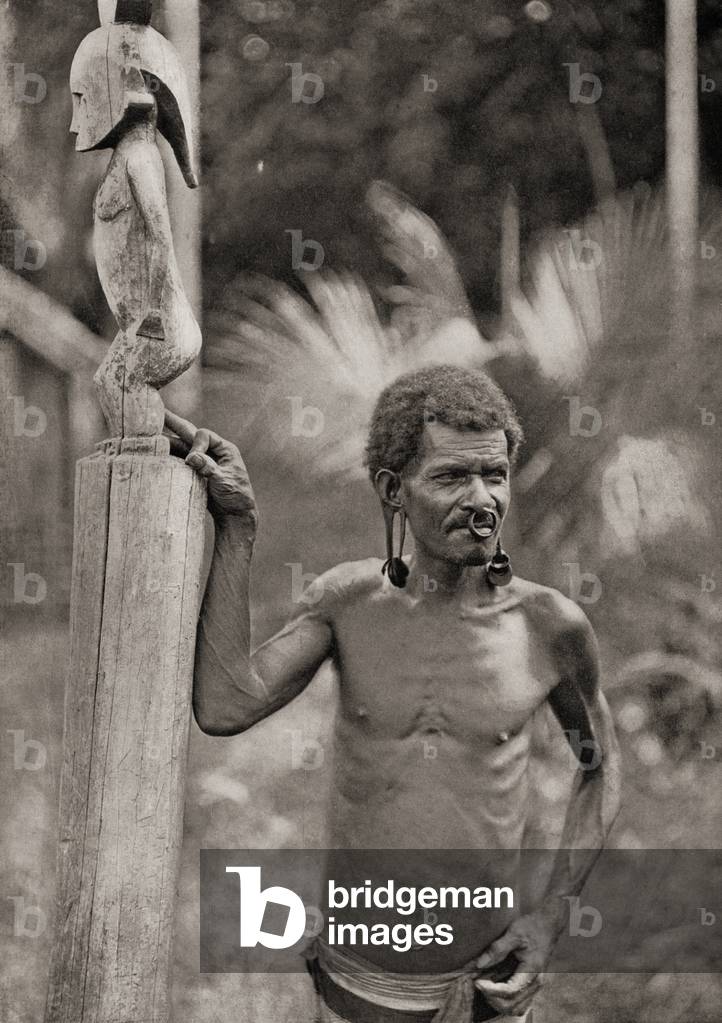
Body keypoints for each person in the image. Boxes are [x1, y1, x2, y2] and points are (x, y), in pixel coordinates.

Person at [166, 364, 621, 1023]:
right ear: (393, 490)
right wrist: (237, 527)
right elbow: (226, 703)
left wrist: (550, 917)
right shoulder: (346, 605)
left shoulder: (549, 628)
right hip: (365, 978)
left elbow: (601, 764)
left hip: (488, 982)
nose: (482, 497)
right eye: (450, 476)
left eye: (494, 474)